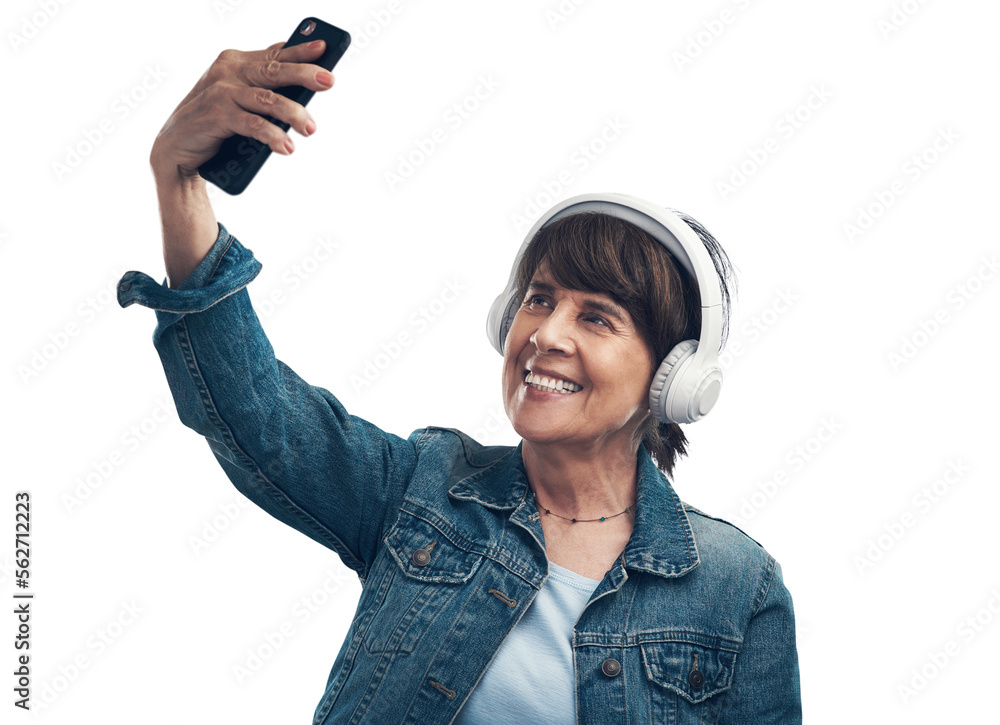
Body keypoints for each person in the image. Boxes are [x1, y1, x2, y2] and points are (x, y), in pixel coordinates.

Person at [118, 38, 801, 724]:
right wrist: (178, 182)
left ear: (673, 377)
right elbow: (253, 412)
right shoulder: (422, 486)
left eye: (596, 316)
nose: (546, 334)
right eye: (538, 298)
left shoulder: (739, 588)